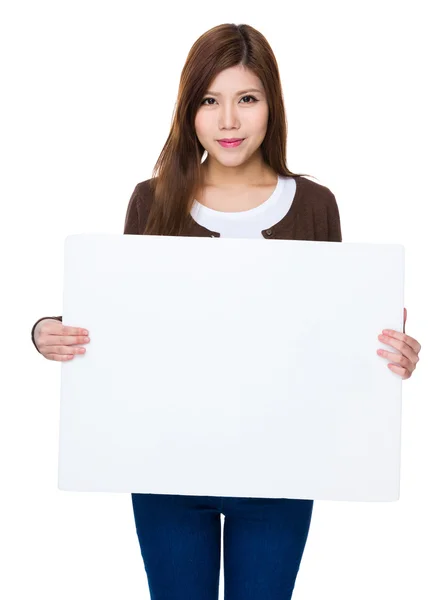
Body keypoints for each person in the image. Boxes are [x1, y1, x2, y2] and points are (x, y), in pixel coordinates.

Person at [30, 22, 422, 600]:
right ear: (190, 109)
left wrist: (388, 356)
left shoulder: (315, 206)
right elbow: (124, 320)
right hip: (165, 466)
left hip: (281, 473)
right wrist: (45, 330)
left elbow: (332, 340)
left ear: (272, 105)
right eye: (210, 101)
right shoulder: (152, 199)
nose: (229, 121)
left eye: (247, 99)